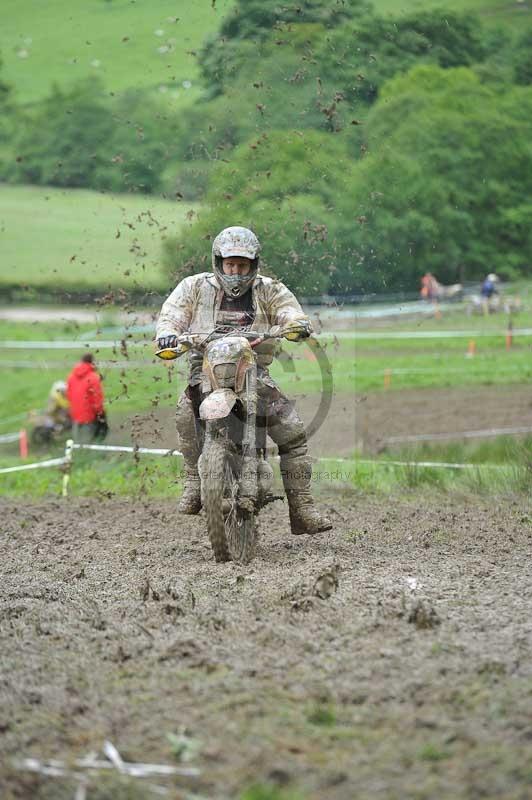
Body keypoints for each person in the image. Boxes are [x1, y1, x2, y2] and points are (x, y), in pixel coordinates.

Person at [155, 225, 332, 536]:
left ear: (254, 265)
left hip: (255, 374)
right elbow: (172, 315)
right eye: (230, 265)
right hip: (205, 372)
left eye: (242, 266)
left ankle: (302, 508)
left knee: (292, 432)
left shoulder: (270, 289)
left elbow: (290, 311)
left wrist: (296, 323)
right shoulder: (194, 287)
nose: (235, 273)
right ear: (219, 262)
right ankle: (194, 481)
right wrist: (167, 335)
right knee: (185, 412)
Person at [66, 353, 107, 442]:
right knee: (90, 440)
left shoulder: (71, 377)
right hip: (89, 415)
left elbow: (68, 395)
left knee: (77, 441)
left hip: (75, 413)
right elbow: (97, 398)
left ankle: (77, 453)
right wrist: (100, 413)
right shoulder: (94, 378)